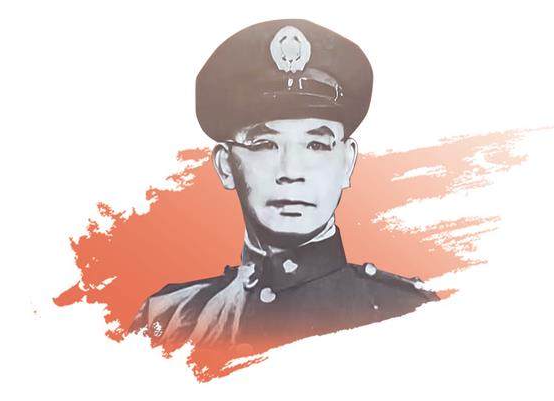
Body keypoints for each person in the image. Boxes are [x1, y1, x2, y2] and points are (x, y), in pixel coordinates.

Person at [129, 19, 438, 355]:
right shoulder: (169, 320)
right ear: (226, 165)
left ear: (347, 163)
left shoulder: (410, 314)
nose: (291, 172)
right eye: (264, 144)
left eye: (316, 145)